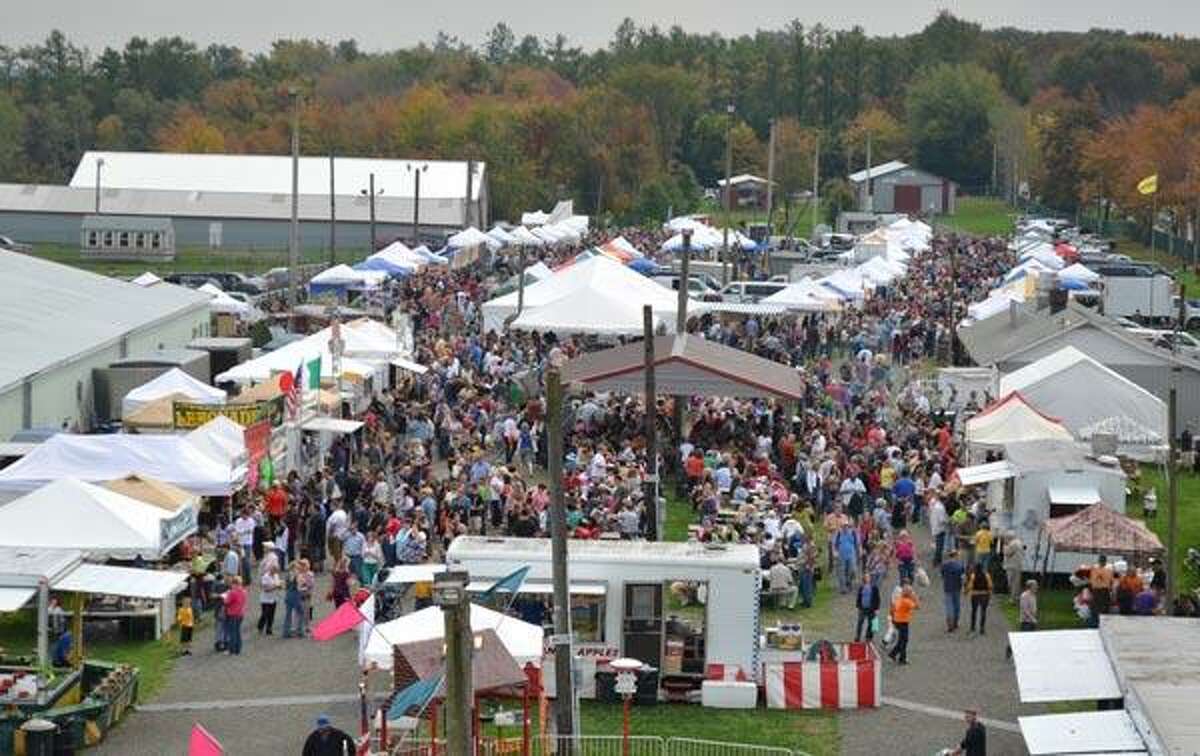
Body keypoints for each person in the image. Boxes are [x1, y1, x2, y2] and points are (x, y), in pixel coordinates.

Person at [887, 584, 919, 665]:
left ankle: (894, 654)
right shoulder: (907, 601)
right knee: (904, 640)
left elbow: (893, 608)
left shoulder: (900, 599)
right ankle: (901, 658)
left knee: (902, 640)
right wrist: (915, 597)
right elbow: (917, 606)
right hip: (903, 622)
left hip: (897, 620)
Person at [941, 549, 965, 632]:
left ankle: (949, 623)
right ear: (956, 556)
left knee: (949, 606)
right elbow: (962, 578)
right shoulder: (960, 565)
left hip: (947, 587)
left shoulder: (944, 565)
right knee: (957, 606)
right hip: (957, 587)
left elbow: (943, 575)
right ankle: (955, 622)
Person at [965, 561, 993, 635]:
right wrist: (989, 594)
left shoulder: (973, 575)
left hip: (975, 595)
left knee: (974, 611)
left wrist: (967, 591)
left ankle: (973, 627)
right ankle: (982, 628)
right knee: (983, 612)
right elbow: (990, 585)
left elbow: (970, 586)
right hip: (984, 594)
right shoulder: (987, 575)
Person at [222, 576, 247, 655]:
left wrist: (225, 596)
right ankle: (238, 649)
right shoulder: (244, 591)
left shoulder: (232, 592)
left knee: (232, 632)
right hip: (241, 613)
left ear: (234, 583)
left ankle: (231, 650)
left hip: (233, 614)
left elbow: (226, 602)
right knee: (238, 631)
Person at [854, 573, 882, 642]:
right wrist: (857, 606)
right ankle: (857, 636)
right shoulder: (861, 587)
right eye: (865, 577)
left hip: (871, 609)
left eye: (868, 577)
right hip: (862, 608)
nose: (867, 578)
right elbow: (859, 597)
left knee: (871, 623)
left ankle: (869, 636)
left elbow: (877, 598)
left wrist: (877, 608)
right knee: (860, 622)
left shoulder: (874, 587)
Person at [1002, 533, 1024, 603]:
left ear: (1009, 538)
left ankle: (1013, 598)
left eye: (1005, 538)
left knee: (1011, 582)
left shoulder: (1012, 544)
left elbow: (1007, 553)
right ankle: (1016, 597)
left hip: (1011, 566)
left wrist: (1005, 545)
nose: (1004, 539)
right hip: (1017, 565)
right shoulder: (1018, 542)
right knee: (1016, 582)